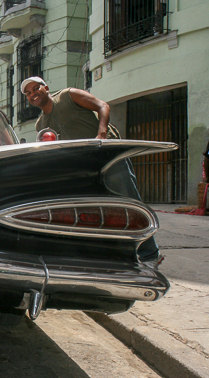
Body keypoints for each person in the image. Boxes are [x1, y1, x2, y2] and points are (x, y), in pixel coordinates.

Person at [20, 76, 162, 267]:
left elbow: (102, 106)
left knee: (129, 204)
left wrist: (101, 134)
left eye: (35, 88)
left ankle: (150, 255)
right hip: (86, 169)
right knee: (103, 212)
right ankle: (116, 257)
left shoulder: (68, 96)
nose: (32, 94)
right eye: (28, 93)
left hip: (108, 156)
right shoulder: (41, 125)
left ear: (45, 87)